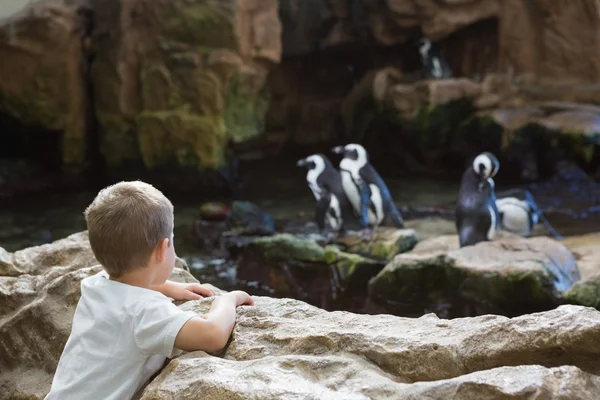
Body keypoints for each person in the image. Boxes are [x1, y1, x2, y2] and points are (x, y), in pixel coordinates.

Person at [44, 180, 254, 400]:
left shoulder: (96, 284)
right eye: (172, 241)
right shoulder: (145, 311)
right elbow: (212, 335)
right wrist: (227, 301)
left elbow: (126, 286)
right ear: (162, 250)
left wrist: (170, 287)